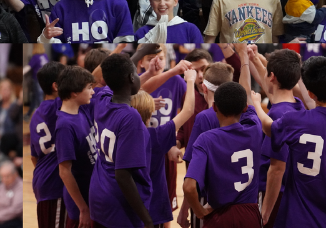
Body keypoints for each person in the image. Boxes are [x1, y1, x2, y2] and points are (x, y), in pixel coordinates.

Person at [251, 56, 326, 228]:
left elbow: (268, 127)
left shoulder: (294, 121)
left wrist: (256, 104)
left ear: (310, 93)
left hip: (297, 221)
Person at [183, 81, 263, 228]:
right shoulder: (255, 128)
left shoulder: (206, 139)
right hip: (249, 215)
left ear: (214, 107)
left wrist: (199, 211)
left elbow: (189, 187)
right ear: (245, 107)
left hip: (219, 216)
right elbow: (247, 95)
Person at [89, 53, 153, 228]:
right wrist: (147, 220)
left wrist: (139, 53)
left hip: (99, 194)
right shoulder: (130, 117)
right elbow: (122, 175)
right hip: (121, 204)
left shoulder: (101, 98)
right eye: (137, 72)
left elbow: (115, 73)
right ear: (132, 77)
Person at [245, 48, 304, 228]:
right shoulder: (297, 105)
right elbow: (271, 88)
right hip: (293, 189)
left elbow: (277, 169)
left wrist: (266, 210)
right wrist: (255, 59)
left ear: (272, 76)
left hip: (275, 193)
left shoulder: (278, 114)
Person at [130, 66, 196, 227]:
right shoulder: (157, 135)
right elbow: (188, 110)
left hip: (127, 204)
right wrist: (191, 81)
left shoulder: (122, 132)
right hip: (153, 205)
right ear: (152, 109)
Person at [54, 65, 97, 228]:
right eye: (89, 88)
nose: (92, 91)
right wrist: (83, 209)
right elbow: (64, 171)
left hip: (91, 195)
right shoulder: (65, 126)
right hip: (80, 204)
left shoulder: (81, 110)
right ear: (74, 93)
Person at [29, 61, 66, 228]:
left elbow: (33, 157)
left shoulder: (36, 114)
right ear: (56, 86)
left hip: (42, 181)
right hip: (54, 184)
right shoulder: (59, 106)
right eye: (67, 79)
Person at [134, 0, 203, 43]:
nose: (162, 3)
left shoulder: (190, 30)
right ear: (151, 2)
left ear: (175, 1)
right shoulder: (142, 32)